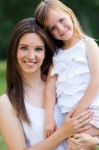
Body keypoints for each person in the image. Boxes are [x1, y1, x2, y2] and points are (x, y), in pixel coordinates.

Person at [0, 18, 92, 150]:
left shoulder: (63, 82)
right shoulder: (6, 103)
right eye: (24, 48)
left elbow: (91, 117)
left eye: (38, 49)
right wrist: (62, 133)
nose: (31, 56)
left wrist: (93, 141)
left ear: (45, 52)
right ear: (14, 51)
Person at [35, 0, 99, 148]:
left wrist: (80, 110)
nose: (61, 29)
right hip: (69, 118)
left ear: (69, 13)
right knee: (72, 143)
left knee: (75, 143)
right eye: (53, 28)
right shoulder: (56, 56)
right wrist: (49, 117)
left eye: (62, 21)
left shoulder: (88, 45)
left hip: (90, 112)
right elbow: (50, 88)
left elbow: (96, 79)